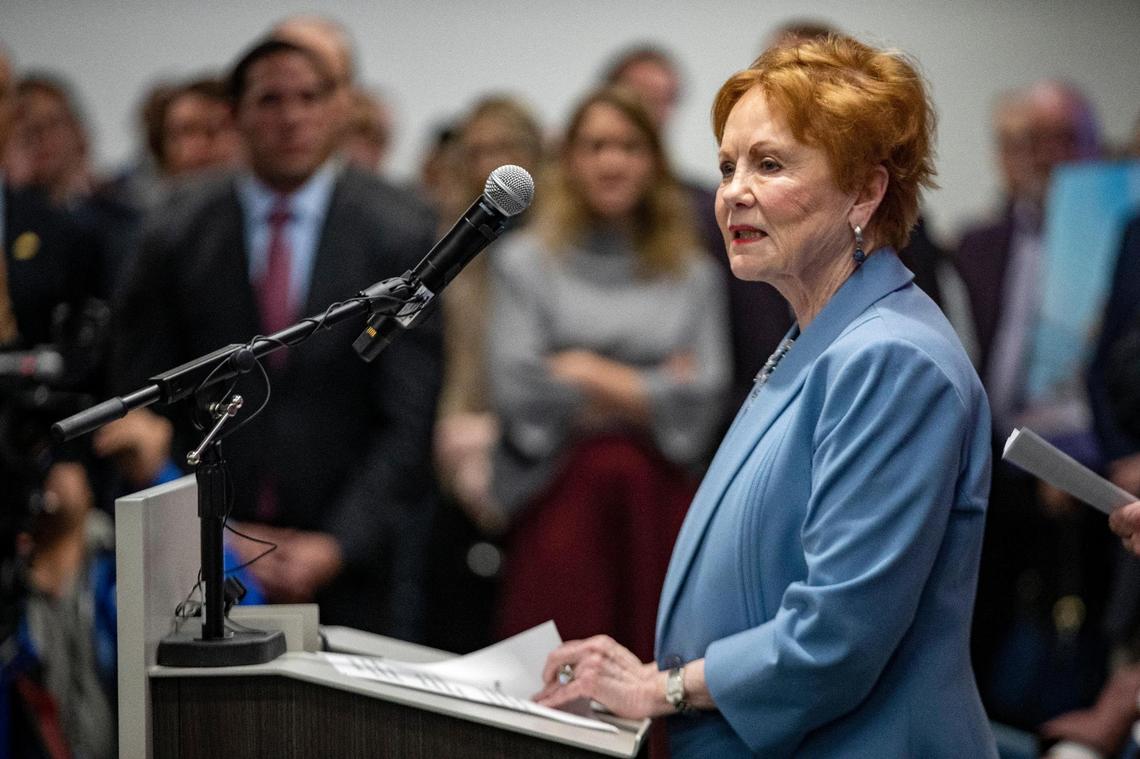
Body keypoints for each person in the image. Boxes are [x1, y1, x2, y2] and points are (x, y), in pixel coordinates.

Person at [535, 36, 995, 757]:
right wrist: (656, 675)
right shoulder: (823, 333)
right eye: (727, 166)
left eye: (769, 164)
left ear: (865, 191)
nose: (732, 192)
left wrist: (665, 688)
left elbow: (836, 635)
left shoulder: (891, 358)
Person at [109, 38, 441, 637]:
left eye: (310, 98)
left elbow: (411, 416)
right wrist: (225, 536)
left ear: (340, 109)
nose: (291, 118)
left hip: (354, 558)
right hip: (204, 551)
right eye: (270, 100)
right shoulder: (177, 229)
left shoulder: (400, 230)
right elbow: (146, 394)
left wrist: (337, 543)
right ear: (234, 115)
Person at [489, 86, 730, 664]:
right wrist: (654, 385)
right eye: (595, 146)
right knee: (550, 684)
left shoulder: (692, 272)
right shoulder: (525, 262)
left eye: (629, 146)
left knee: (651, 678)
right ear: (570, 160)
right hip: (554, 502)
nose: (612, 162)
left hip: (658, 512)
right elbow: (517, 387)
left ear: (654, 162)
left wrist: (582, 368)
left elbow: (706, 394)